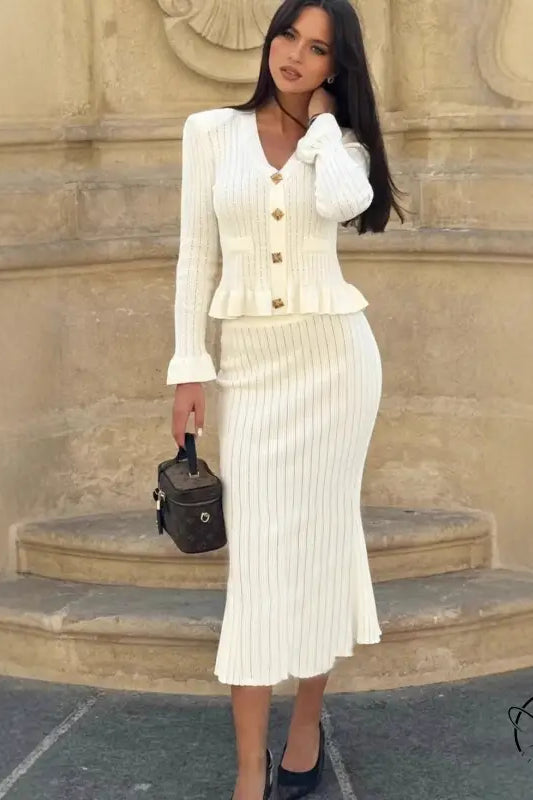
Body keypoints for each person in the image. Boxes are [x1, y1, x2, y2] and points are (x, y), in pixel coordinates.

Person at [167, 1, 405, 797]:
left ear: (335, 67)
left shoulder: (341, 147)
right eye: (286, 38)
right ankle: (247, 773)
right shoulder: (210, 132)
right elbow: (193, 256)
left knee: (319, 549)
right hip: (256, 372)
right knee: (260, 567)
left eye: (316, 50)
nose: (293, 57)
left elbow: (343, 203)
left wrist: (326, 128)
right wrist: (186, 368)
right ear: (268, 41)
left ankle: (304, 719)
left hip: (336, 366)